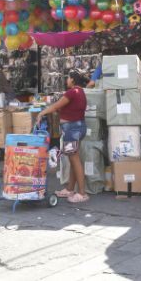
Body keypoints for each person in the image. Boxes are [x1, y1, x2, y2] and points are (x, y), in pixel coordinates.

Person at [38, 70, 89, 204]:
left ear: (72, 80)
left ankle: (82, 193)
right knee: (73, 158)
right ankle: (70, 189)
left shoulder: (72, 92)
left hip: (72, 130)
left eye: (68, 78)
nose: (66, 81)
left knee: (74, 159)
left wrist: (41, 113)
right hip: (77, 128)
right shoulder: (81, 92)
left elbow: (55, 106)